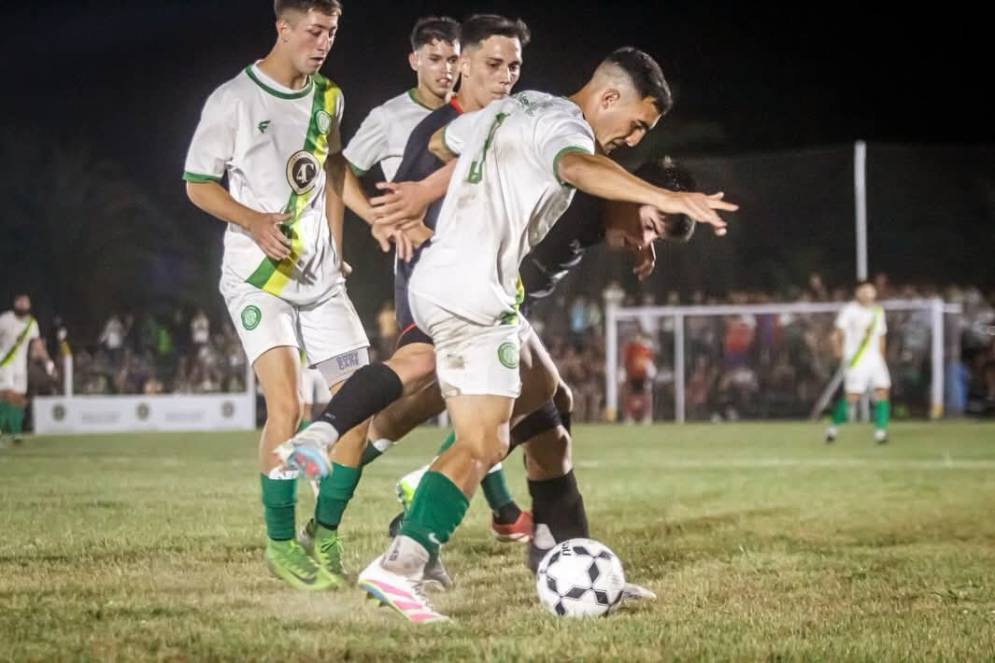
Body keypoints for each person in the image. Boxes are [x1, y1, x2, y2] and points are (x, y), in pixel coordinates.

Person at [354, 47, 736, 622]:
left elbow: (443, 141)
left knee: (552, 409)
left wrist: (432, 192)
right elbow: (577, 167)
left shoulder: (529, 108)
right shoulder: (569, 139)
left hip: (464, 287)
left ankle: (561, 552)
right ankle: (399, 549)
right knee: (476, 437)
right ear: (609, 98)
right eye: (635, 125)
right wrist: (665, 196)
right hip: (471, 293)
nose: (632, 140)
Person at [183, 0, 370, 591]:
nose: (323, 43)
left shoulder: (329, 98)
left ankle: (327, 530)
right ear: (282, 28)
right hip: (257, 279)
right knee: (286, 407)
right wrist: (252, 221)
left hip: (320, 282)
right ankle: (281, 543)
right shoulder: (232, 100)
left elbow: (333, 169)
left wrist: (337, 246)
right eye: (313, 31)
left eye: (332, 33)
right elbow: (197, 185)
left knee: (360, 407)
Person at [825, 280, 892, 444]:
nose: (868, 293)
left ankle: (880, 432)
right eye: (864, 290)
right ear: (857, 292)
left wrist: (882, 358)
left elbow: (881, 336)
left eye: (870, 290)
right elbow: (837, 333)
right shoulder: (849, 310)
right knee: (852, 397)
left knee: (882, 391)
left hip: (875, 360)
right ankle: (833, 428)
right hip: (856, 360)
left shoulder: (878, 311)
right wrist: (838, 351)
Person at [0, 294, 42, 444]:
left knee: (18, 400)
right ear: (15, 303)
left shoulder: (32, 323)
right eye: (21, 302)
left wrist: (46, 360)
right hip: (5, 363)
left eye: (26, 303)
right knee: (7, 394)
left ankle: (15, 434)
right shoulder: (5, 319)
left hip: (21, 366)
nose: (23, 305)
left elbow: (37, 344)